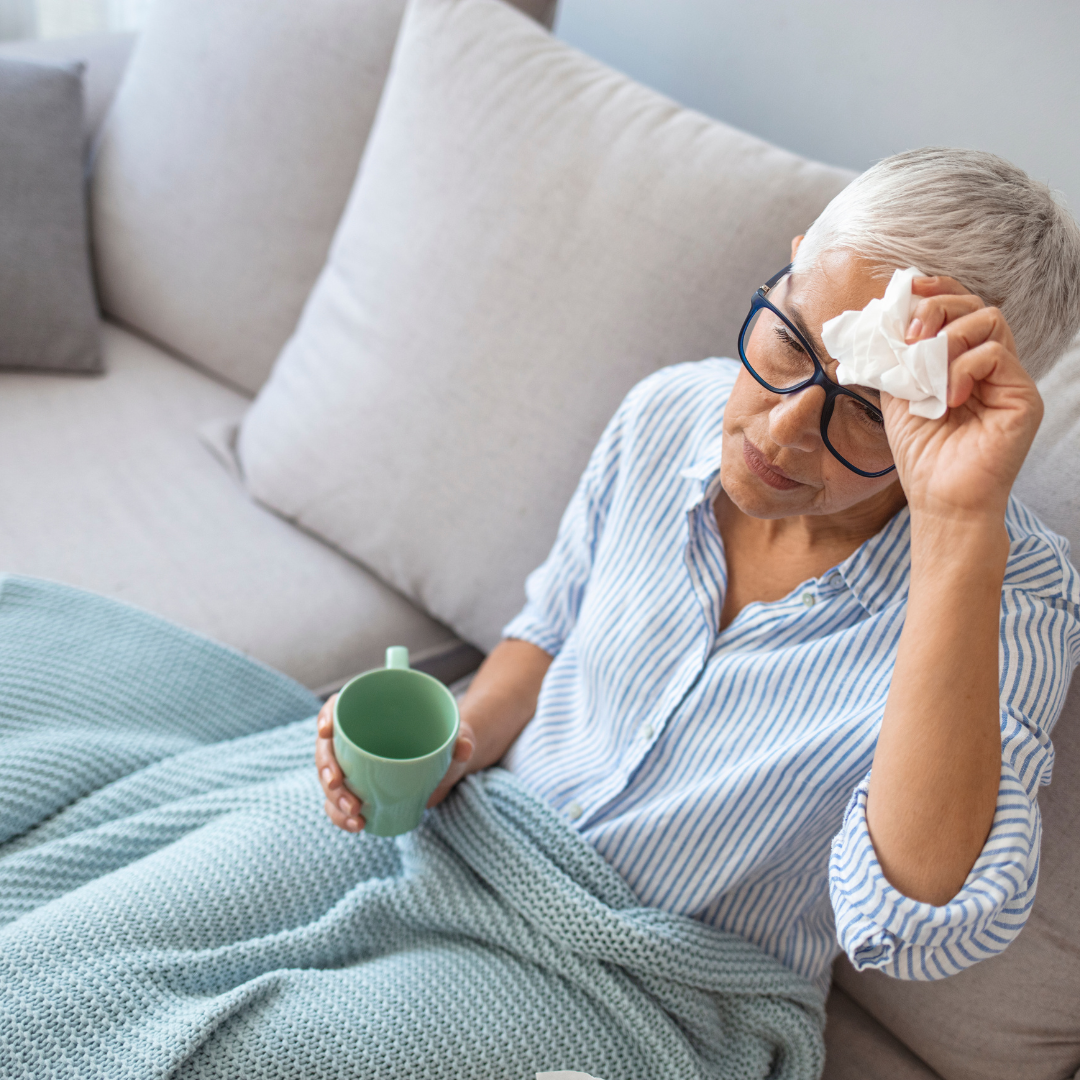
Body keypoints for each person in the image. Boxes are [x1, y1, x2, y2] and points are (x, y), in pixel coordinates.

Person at [318, 147, 1080, 989]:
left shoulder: (1015, 601)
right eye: (792, 340)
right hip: (478, 836)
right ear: (791, 268)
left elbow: (909, 929)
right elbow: (548, 632)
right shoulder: (667, 410)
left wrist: (957, 528)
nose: (781, 431)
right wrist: (452, 750)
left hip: (657, 993)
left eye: (868, 411)